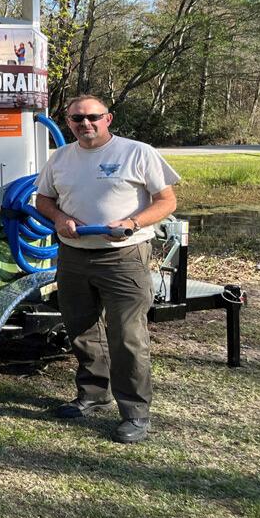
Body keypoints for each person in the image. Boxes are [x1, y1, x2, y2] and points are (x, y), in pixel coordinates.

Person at [34, 94, 178, 443]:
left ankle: (136, 413)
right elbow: (43, 199)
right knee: (82, 329)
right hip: (74, 255)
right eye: (76, 119)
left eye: (92, 117)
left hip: (124, 256)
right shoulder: (61, 158)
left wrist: (132, 222)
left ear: (108, 119)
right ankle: (94, 395)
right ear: (67, 122)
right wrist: (60, 218)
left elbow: (167, 201)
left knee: (127, 336)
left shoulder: (136, 152)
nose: (85, 124)